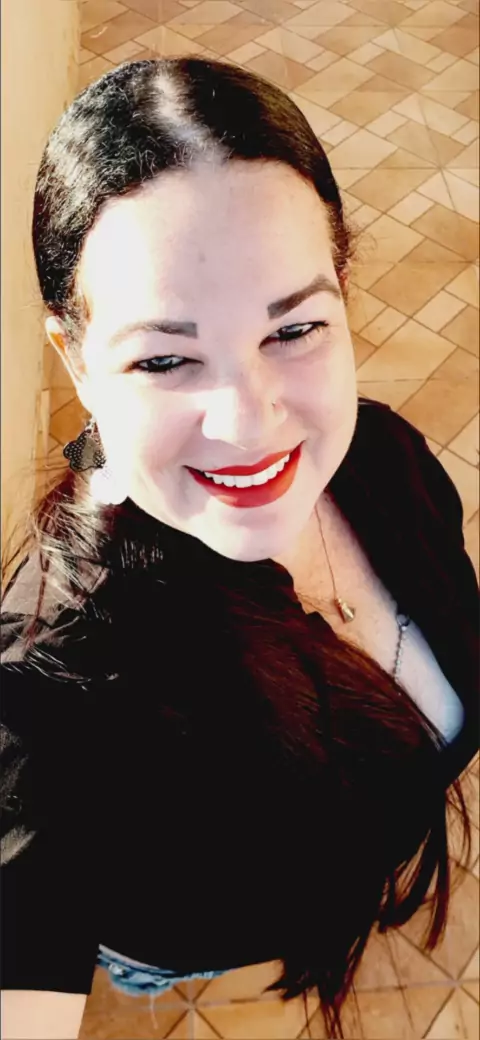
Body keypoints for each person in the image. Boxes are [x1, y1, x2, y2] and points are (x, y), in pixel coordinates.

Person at [1, 56, 478, 1040]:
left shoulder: (386, 458)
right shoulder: (47, 689)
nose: (251, 424)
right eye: (165, 357)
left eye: (294, 328)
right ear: (75, 361)